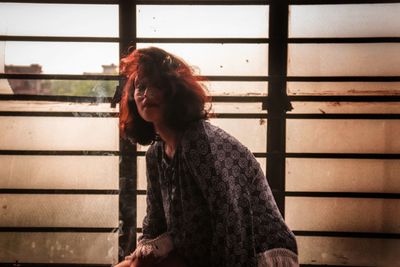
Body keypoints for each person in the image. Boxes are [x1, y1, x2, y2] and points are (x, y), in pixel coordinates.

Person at [115, 47, 299, 267]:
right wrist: (143, 252)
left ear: (175, 91)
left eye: (158, 85)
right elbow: (154, 223)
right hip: (198, 251)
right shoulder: (155, 154)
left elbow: (232, 223)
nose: (147, 94)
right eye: (141, 87)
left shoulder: (199, 141)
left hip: (257, 253)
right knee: (134, 264)